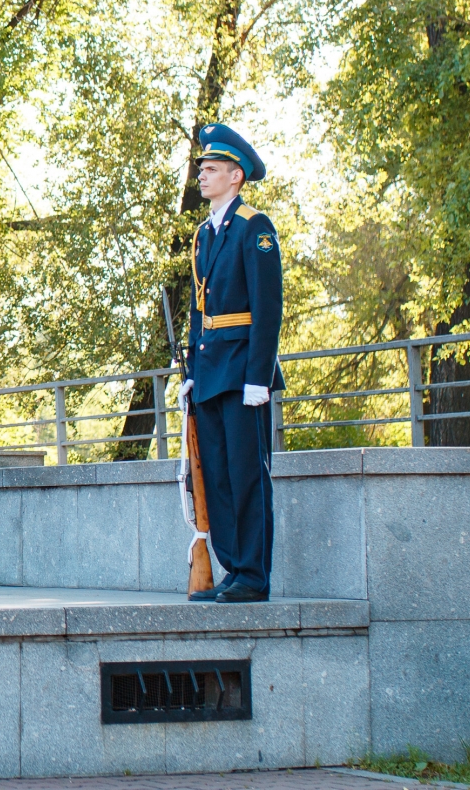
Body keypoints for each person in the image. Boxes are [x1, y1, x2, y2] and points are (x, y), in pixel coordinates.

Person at [180, 123, 284, 604]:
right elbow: (199, 309)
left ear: (236, 177)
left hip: (243, 372)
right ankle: (230, 570)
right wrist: (190, 374)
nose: (203, 176)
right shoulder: (204, 234)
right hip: (211, 372)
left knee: (246, 477)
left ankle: (253, 577)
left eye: (213, 169)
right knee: (217, 478)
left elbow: (268, 308)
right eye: (202, 168)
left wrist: (258, 378)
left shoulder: (254, 227)